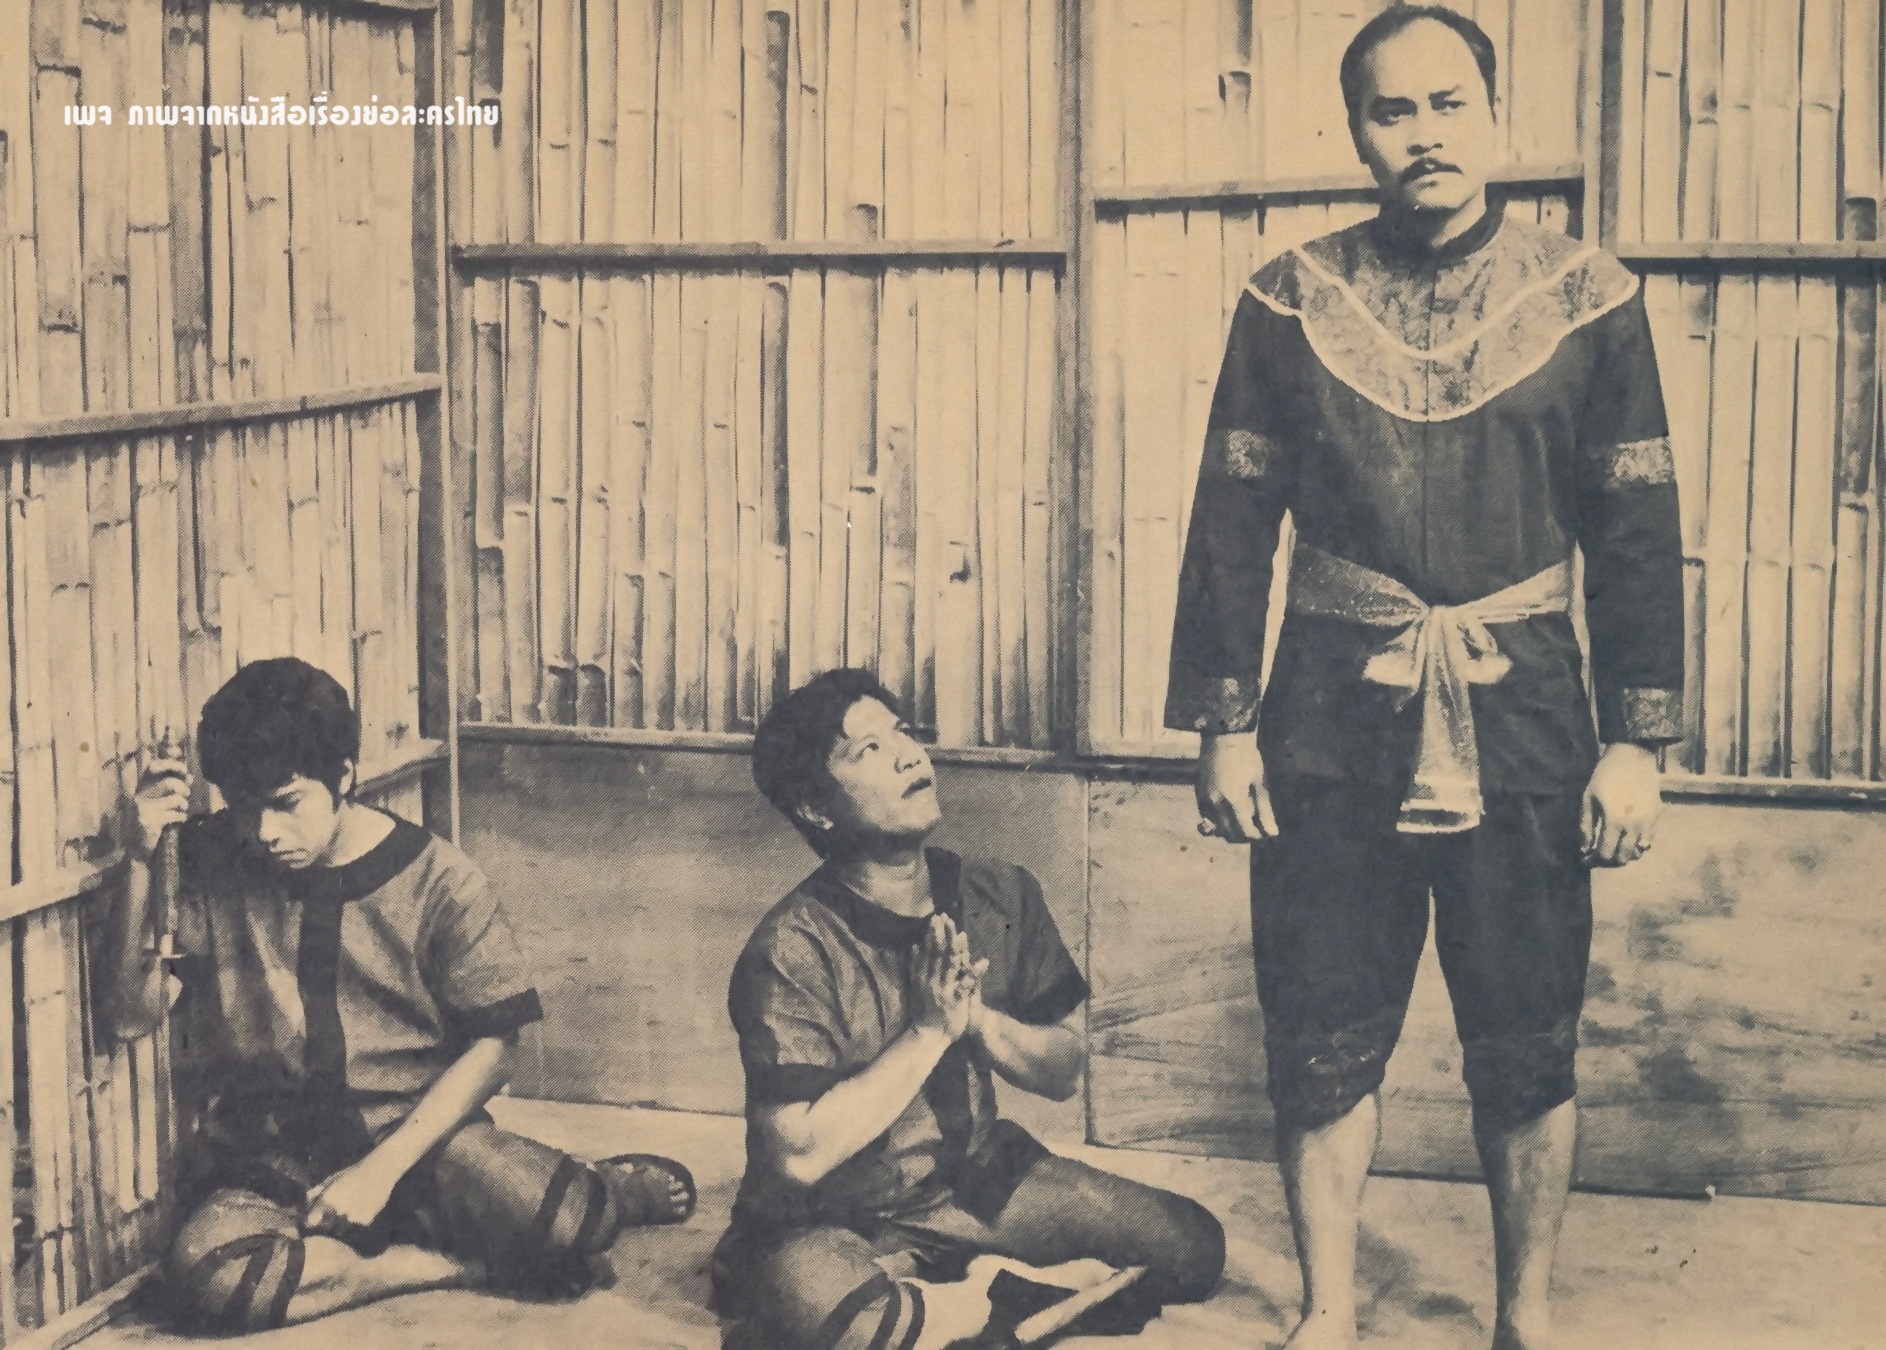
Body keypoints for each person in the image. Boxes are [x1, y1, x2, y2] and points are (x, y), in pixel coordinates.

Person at [1166, 9, 1683, 1349]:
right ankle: (1329, 1310)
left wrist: (1635, 741)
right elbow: (1231, 521)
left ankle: (1524, 1313)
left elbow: (1634, 532)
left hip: (1527, 720)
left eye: (1448, 104)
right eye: (1391, 111)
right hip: (1326, 723)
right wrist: (1223, 724)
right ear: (1356, 134)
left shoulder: (1590, 299)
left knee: (1526, 1033)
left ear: (1492, 117)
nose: (1423, 134)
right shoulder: (1286, 298)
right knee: (1320, 1025)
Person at [102, 657, 698, 1334]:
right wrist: (138, 859)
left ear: (343, 777)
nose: (264, 831)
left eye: (286, 803)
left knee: (569, 1224)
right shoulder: (213, 859)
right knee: (209, 1280)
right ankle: (448, 1265)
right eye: (244, 805)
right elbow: (128, 1016)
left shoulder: (440, 878)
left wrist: (377, 1174)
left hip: (420, 1140)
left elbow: (495, 1048)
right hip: (272, 1155)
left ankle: (606, 1188)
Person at [710, 669, 1226, 1350]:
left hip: (976, 1185)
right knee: (814, 1301)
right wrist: (929, 1031)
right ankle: (990, 1302)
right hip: (832, 1216)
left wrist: (979, 1022)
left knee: (1192, 1248)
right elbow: (798, 1157)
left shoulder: (1000, 893)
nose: (908, 755)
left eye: (901, 733)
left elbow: (1063, 1070)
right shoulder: (791, 947)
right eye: (868, 750)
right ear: (816, 808)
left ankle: (942, 1301)